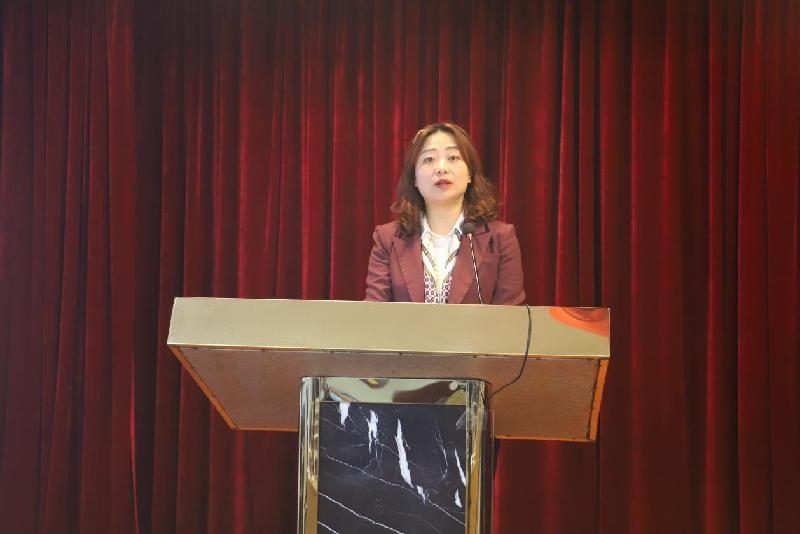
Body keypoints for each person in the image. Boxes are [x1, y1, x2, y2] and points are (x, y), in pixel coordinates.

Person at [365, 122, 525, 305]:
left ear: (470, 174)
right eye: (429, 159)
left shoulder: (500, 238)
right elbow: (374, 313)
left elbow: (510, 316)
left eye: (453, 157)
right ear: (414, 179)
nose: (441, 168)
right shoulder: (387, 239)